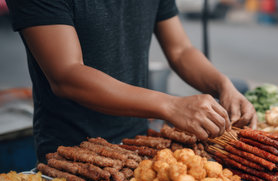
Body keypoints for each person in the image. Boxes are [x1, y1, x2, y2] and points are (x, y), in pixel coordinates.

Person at [5, 0, 256, 163]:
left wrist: (223, 85)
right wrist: (170, 105)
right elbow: (67, 75)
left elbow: (180, 51)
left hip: (137, 147)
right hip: (69, 155)